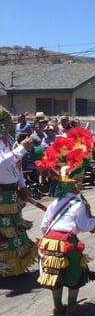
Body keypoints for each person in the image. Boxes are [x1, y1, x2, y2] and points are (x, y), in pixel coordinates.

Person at [36, 127, 95, 316]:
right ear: (77, 182)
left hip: (49, 242)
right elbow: (84, 226)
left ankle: (57, 306)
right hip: (66, 242)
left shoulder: (55, 202)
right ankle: (71, 307)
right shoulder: (78, 203)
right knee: (75, 275)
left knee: (55, 275)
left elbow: (44, 227)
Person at [0, 107, 37, 278]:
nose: (11, 123)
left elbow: (17, 165)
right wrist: (21, 148)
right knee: (3, 230)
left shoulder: (8, 139)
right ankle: (4, 267)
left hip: (12, 193)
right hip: (1, 194)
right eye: (7, 120)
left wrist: (22, 186)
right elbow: (1, 164)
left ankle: (16, 266)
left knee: (15, 228)